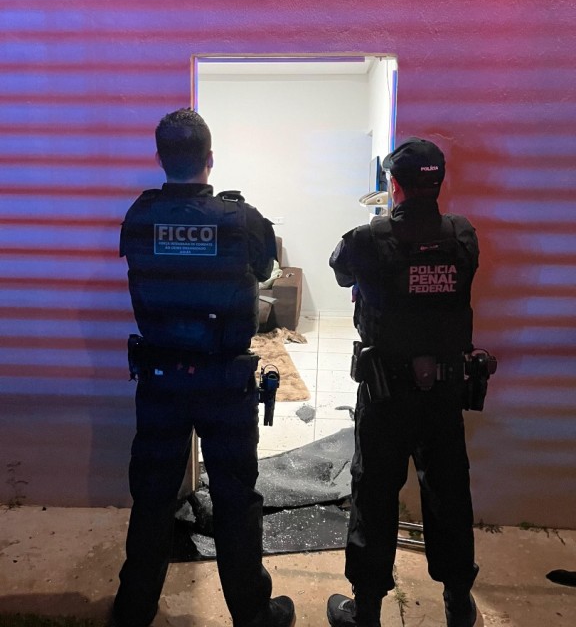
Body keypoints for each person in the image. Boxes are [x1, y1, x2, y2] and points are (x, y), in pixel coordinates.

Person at [111, 108, 295, 627]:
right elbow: (266, 269)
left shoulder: (140, 217)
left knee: (152, 497)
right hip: (224, 383)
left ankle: (132, 612)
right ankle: (252, 615)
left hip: (161, 381)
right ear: (209, 159)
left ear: (159, 158)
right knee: (236, 499)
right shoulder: (242, 219)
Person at [326, 138, 480, 627]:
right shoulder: (462, 235)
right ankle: (458, 602)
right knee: (449, 492)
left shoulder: (367, 239)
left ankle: (367, 609)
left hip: (385, 393)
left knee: (374, 494)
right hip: (444, 392)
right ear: (439, 182)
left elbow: (340, 271)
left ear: (394, 184)